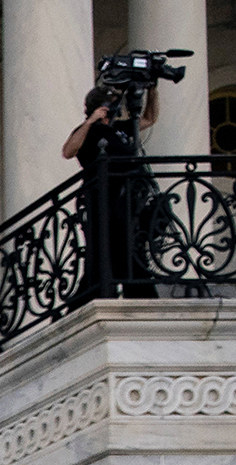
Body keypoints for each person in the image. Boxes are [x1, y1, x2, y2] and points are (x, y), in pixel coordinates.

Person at [65, 81, 161, 301]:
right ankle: (96, 292)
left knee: (130, 248)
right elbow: (68, 151)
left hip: (127, 197)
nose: (116, 109)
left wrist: (152, 91)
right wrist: (90, 121)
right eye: (112, 105)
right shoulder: (88, 131)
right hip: (102, 199)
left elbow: (149, 119)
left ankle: (137, 291)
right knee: (105, 250)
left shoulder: (120, 128)